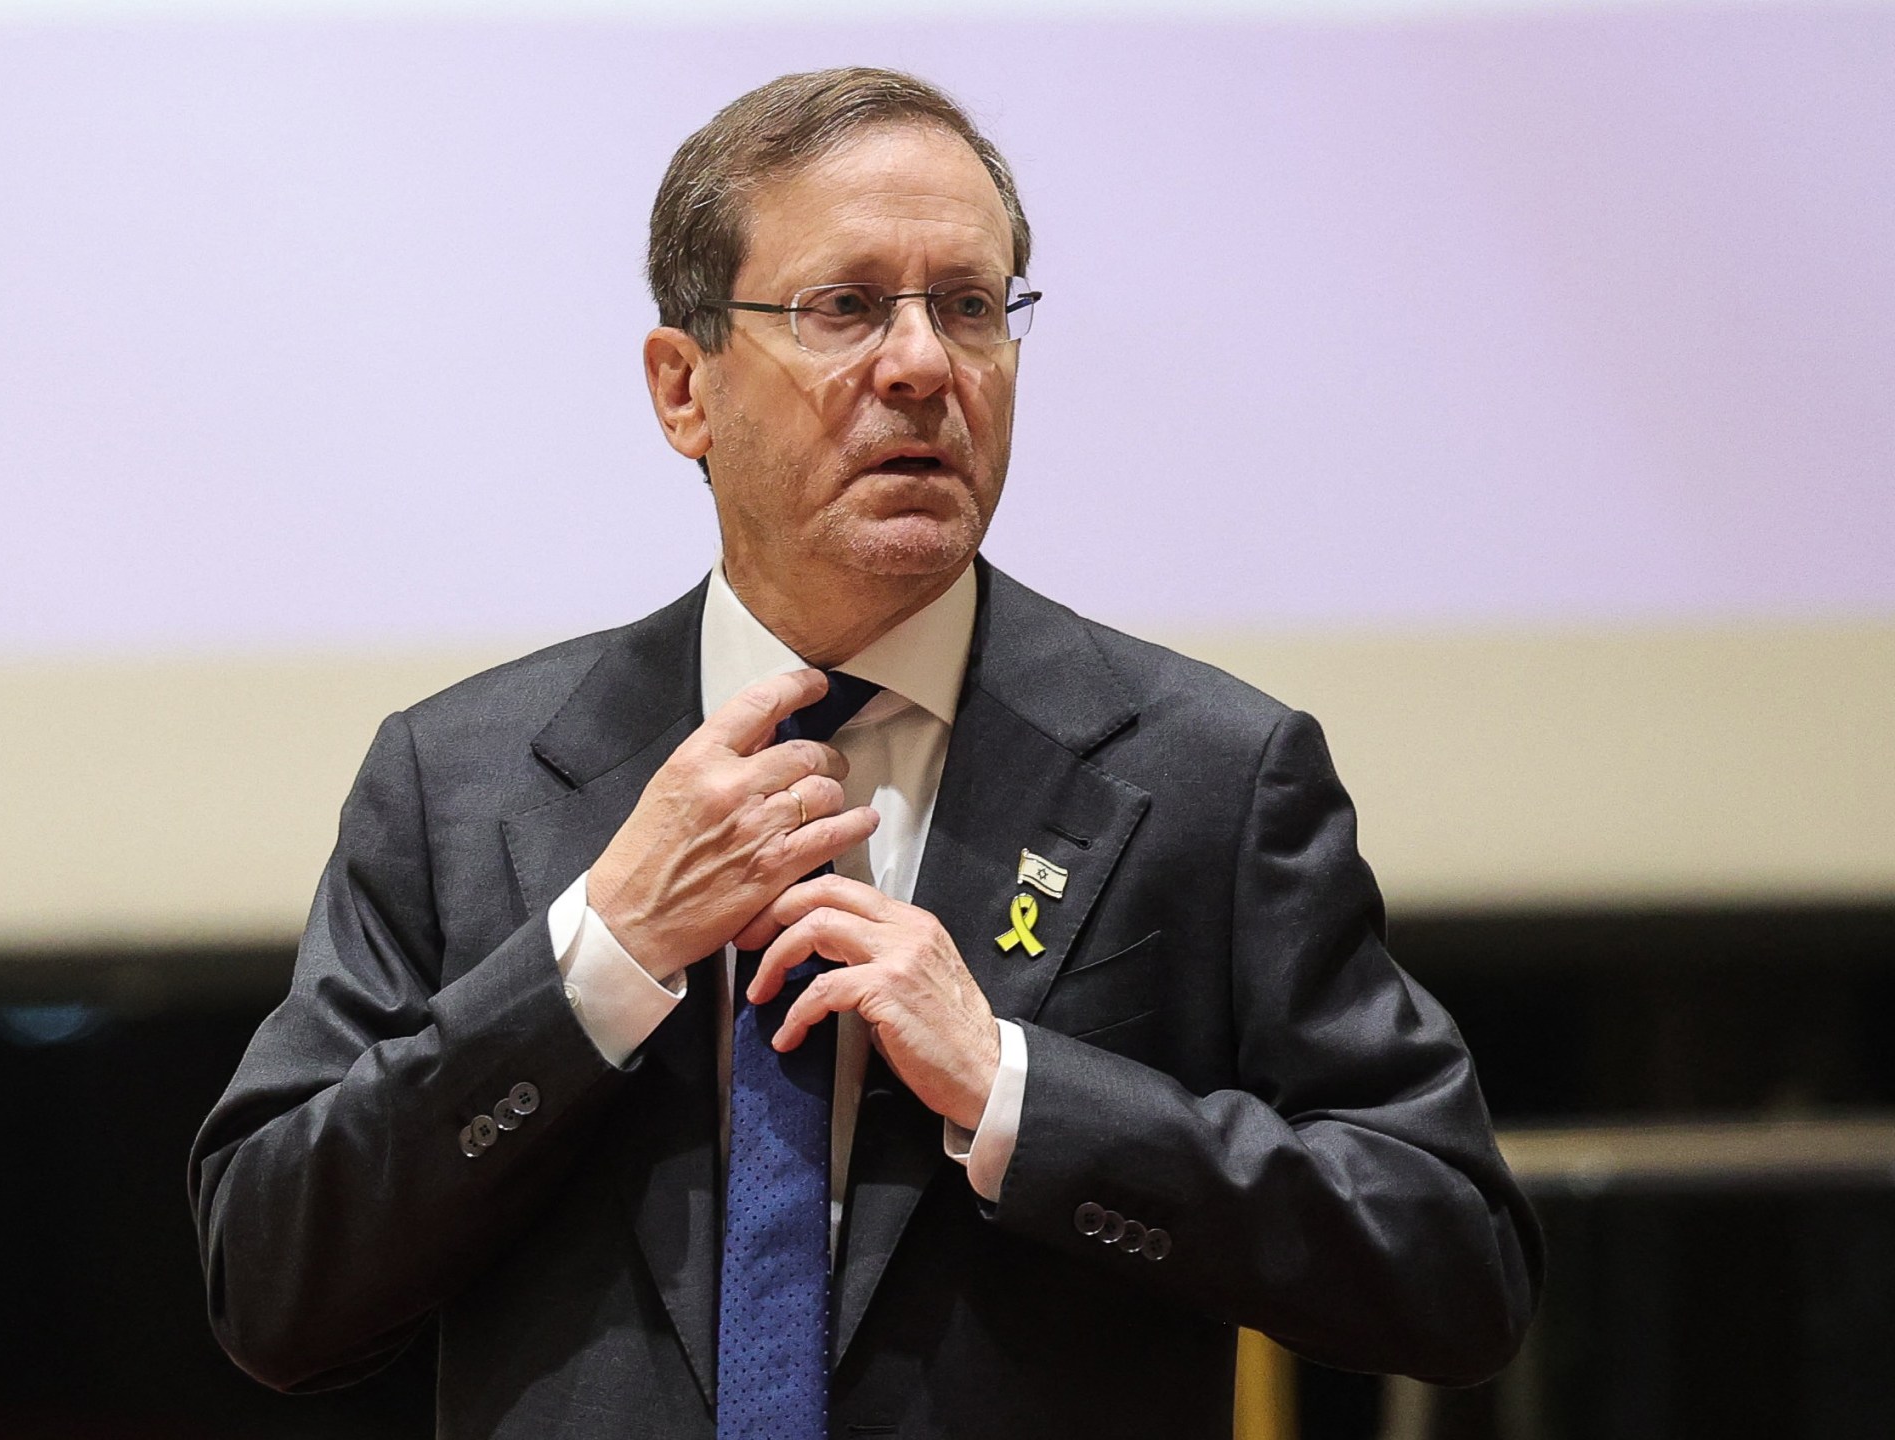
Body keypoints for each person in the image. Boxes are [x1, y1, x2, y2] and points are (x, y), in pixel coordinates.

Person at [191, 66, 1543, 1440]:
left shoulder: (1213, 774)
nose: (922, 365)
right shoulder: (461, 780)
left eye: (970, 308)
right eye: (843, 308)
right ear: (683, 388)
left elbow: (1452, 1261)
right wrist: (600, 958)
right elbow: (271, 1283)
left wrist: (1017, 1091)